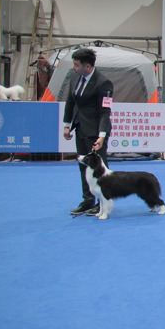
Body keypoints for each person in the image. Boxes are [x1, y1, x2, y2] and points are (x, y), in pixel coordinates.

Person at [63, 48, 114, 216]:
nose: (74, 68)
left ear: (87, 66)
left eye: (76, 65)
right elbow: (70, 102)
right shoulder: (74, 78)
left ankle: (103, 202)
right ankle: (88, 200)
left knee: (100, 169)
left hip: (96, 132)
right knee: (83, 166)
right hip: (80, 128)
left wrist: (101, 136)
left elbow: (105, 112)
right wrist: (67, 125)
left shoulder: (104, 83)